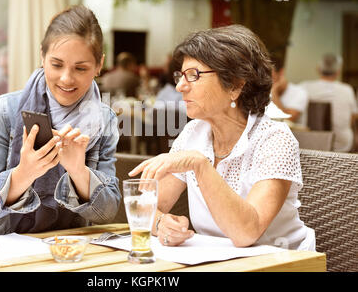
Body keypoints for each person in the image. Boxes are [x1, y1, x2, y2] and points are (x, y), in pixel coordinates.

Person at [129, 25, 315, 251]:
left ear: (235, 85)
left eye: (193, 75)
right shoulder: (193, 133)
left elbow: (247, 233)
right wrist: (161, 223)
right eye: (180, 76)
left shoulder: (274, 139)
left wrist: (199, 165)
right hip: (215, 262)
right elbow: (142, 207)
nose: (180, 86)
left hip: (281, 263)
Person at [0, 5, 121, 239]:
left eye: (80, 68)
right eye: (57, 64)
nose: (66, 78)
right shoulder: (5, 111)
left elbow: (107, 213)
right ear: (42, 56)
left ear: (99, 65)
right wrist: (24, 173)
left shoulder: (104, 120)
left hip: (64, 249)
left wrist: (78, 171)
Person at [300, 54, 358, 152]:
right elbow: (352, 118)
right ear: (338, 71)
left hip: (311, 145)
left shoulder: (304, 87)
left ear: (318, 69)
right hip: (342, 146)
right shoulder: (347, 90)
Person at [270, 57, 308, 126]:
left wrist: (274, 93)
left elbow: (287, 120)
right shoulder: (261, 91)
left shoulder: (299, 92)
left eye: (269, 75)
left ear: (281, 72)